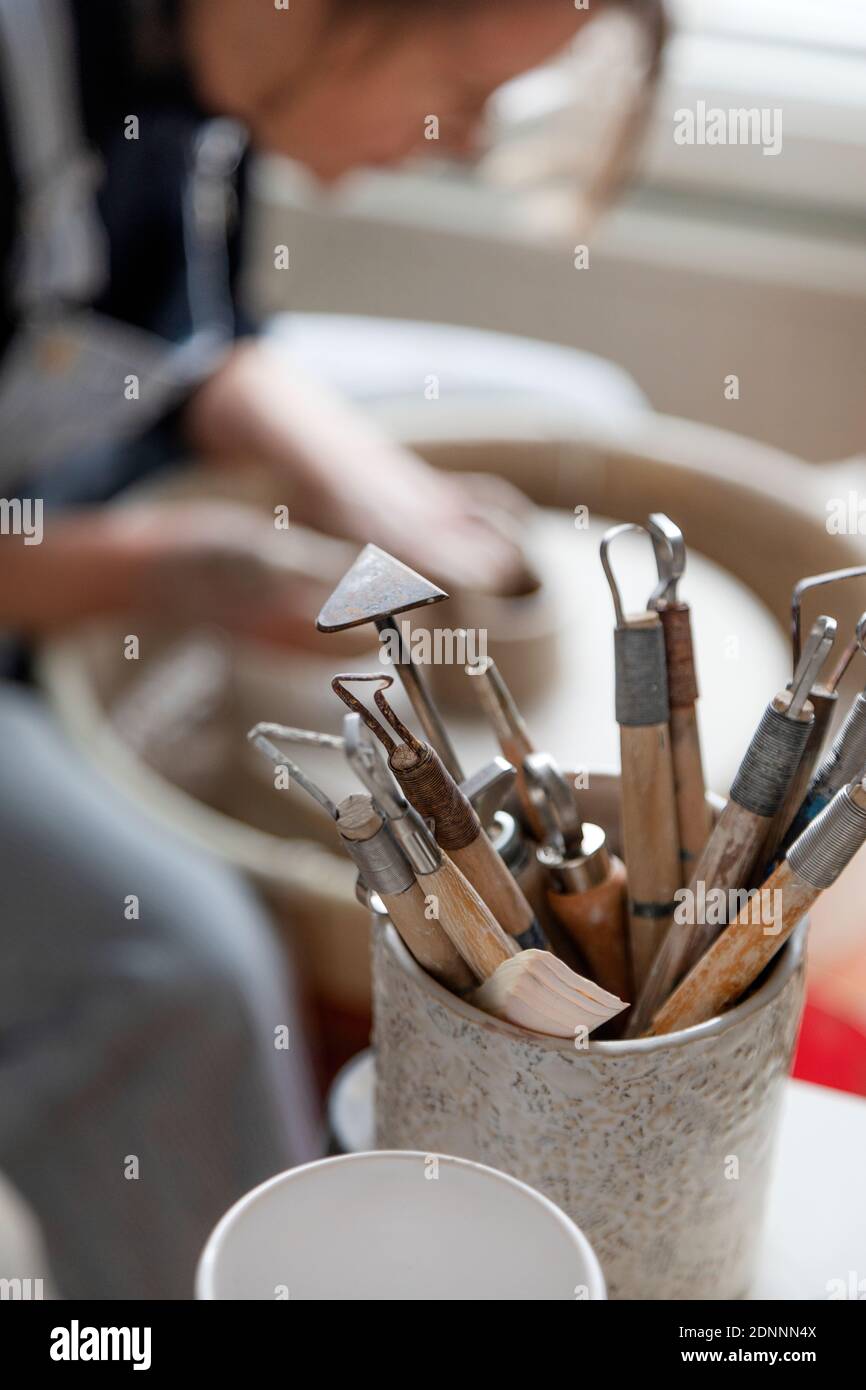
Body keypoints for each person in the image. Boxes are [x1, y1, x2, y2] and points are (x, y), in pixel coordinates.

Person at [0, 0, 664, 1298]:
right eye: (468, 91)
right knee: (178, 973)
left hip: (69, 450)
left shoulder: (194, 60)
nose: (465, 142)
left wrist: (363, 476)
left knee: (588, 417)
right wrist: (158, 573)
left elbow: (178, 348)